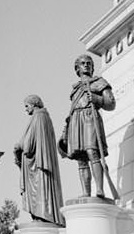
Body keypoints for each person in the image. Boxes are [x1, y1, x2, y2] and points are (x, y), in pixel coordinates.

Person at [60, 54, 116, 198]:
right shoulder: (75, 89)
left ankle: (99, 189)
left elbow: (111, 103)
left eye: (89, 63)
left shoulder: (99, 82)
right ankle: (86, 192)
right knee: (80, 157)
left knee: (92, 152)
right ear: (77, 68)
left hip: (90, 118)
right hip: (76, 120)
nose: (86, 65)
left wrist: (97, 99)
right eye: (83, 63)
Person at [14, 95, 64, 224]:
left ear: (34, 104)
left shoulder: (38, 117)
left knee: (40, 187)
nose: (25, 109)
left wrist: (18, 146)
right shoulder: (44, 117)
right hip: (39, 162)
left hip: (38, 164)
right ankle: (41, 215)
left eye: (26, 106)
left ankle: (43, 215)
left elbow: (29, 145)